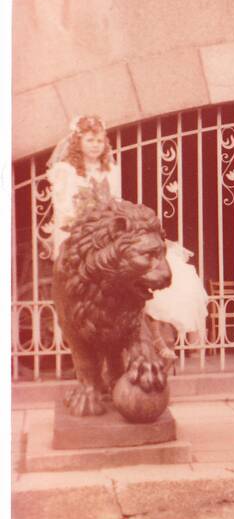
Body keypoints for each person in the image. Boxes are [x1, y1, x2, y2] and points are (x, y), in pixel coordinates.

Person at [47, 115, 208, 351]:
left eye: (100, 141)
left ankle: (153, 333)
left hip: (106, 231)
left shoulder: (111, 170)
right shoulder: (65, 171)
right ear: (78, 142)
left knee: (149, 264)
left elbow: (116, 202)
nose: (95, 145)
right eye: (90, 140)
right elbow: (64, 210)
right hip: (78, 232)